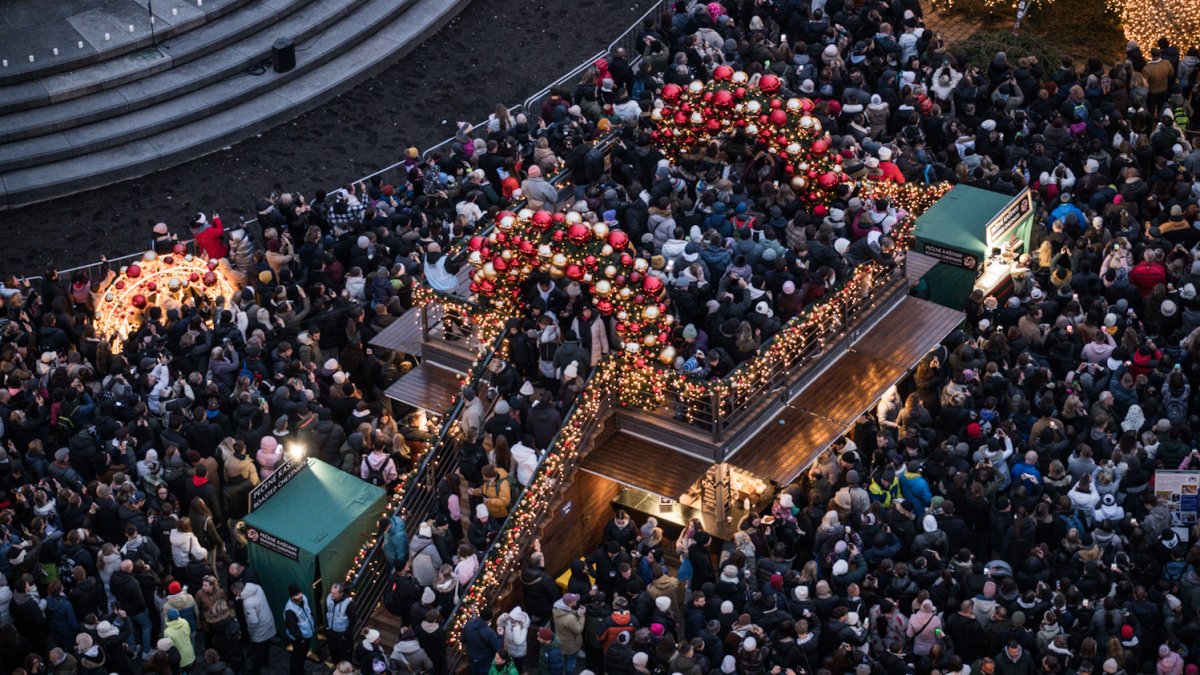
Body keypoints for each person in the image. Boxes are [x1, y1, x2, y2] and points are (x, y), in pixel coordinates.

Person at [232, 581, 275, 675]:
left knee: (258, 649)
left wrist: (250, 631)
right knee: (267, 643)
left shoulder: (248, 603)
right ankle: (265, 662)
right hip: (268, 620)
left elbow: (253, 621)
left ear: (238, 592)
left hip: (260, 627)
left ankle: (256, 670)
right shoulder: (257, 587)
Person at [283, 584, 317, 675]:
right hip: (299, 639)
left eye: (300, 593)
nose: (299, 596)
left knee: (303, 655)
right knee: (297, 656)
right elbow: (292, 628)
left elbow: (309, 612)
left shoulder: (304, 598)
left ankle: (300, 670)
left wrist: (313, 625)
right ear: (292, 596)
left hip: (307, 634)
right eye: (296, 595)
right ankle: (294, 672)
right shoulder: (289, 610)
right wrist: (301, 639)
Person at [325, 582, 355, 665]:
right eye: (331, 592)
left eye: (334, 593)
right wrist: (327, 626)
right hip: (331, 633)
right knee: (334, 655)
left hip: (342, 635)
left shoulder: (349, 604)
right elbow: (326, 612)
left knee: (345, 657)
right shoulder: (328, 598)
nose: (332, 595)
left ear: (341, 593)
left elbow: (353, 621)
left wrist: (345, 635)